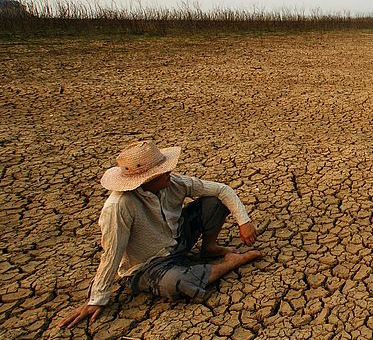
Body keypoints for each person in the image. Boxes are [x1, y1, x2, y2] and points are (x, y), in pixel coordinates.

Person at [59, 139, 262, 328]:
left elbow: (222, 189)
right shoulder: (120, 206)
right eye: (161, 171)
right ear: (144, 180)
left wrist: (244, 222)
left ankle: (209, 249)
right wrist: (97, 299)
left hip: (176, 240)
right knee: (176, 283)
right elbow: (112, 252)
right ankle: (233, 262)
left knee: (214, 202)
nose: (169, 172)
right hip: (149, 264)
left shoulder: (172, 182)